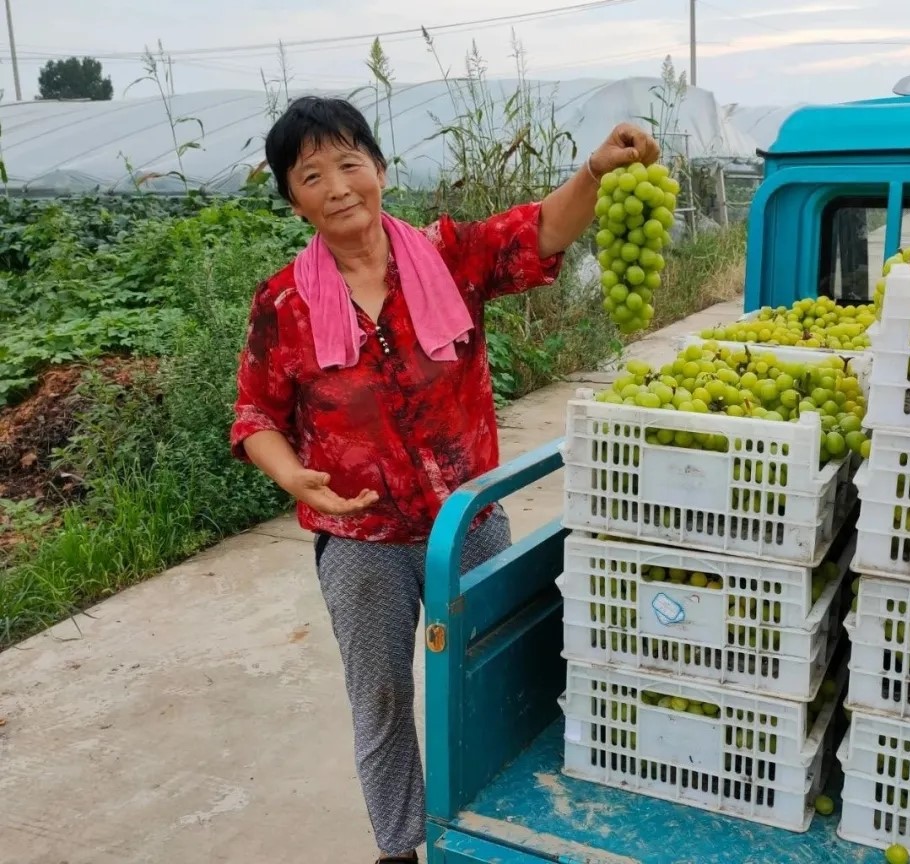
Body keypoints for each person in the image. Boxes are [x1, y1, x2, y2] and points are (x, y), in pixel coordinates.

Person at [229, 95, 660, 864]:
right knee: (384, 701)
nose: (338, 186)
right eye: (312, 174)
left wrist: (596, 167)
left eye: (350, 163)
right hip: (360, 541)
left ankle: (482, 826)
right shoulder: (283, 303)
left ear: (380, 171)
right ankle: (399, 849)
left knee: (491, 679)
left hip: (468, 522)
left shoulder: (447, 256)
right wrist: (294, 475)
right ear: (294, 200)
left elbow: (539, 232)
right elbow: (255, 414)